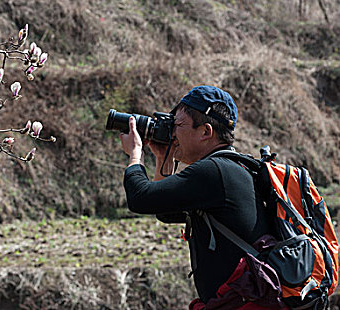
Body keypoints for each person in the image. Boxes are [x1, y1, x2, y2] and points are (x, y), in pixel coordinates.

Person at [119, 85, 285, 309]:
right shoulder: (232, 168)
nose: (173, 133)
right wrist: (162, 159)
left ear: (206, 132)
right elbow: (166, 211)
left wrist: (135, 153)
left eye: (177, 125)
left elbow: (140, 198)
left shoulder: (214, 171)